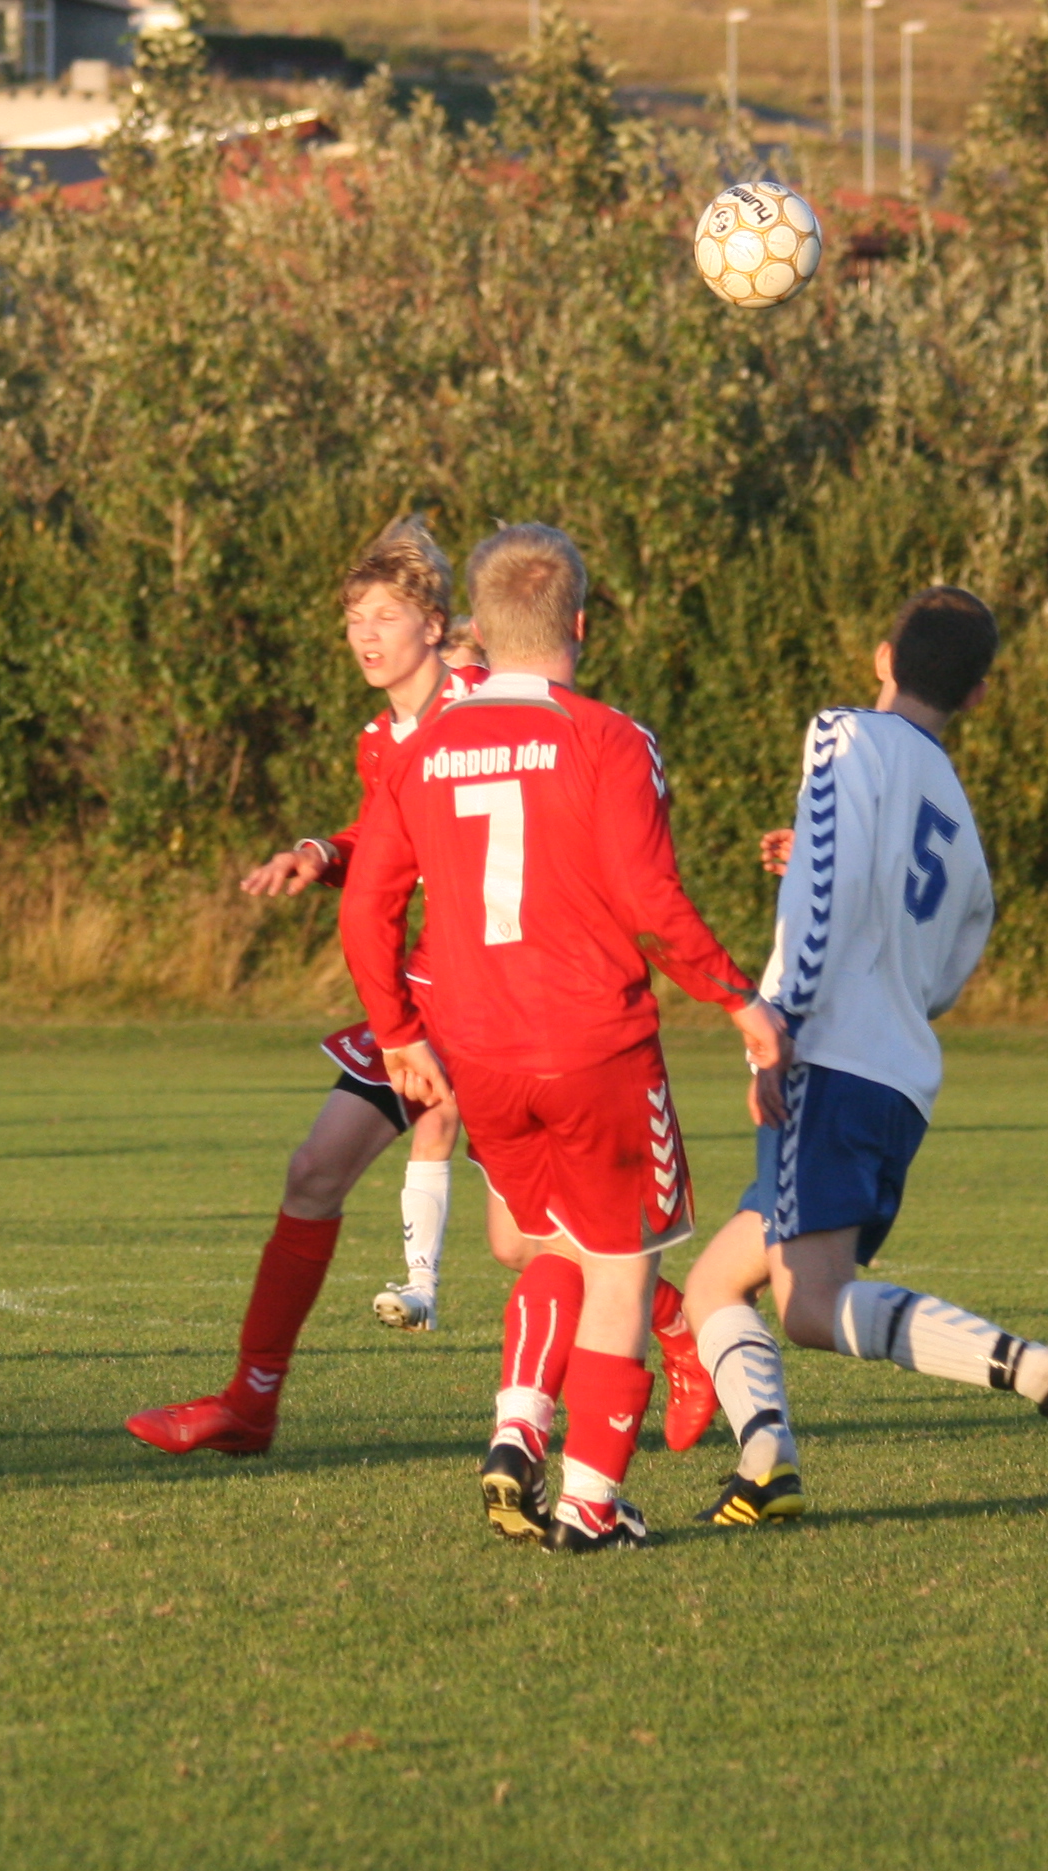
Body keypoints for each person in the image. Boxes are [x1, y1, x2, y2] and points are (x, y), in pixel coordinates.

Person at [340, 522, 763, 1553]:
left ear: (479, 629)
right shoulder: (609, 737)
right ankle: (590, 1506)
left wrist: (399, 1032)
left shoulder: (423, 748)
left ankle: (518, 1431)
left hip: (480, 1053)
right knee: (621, 1266)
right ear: (578, 624)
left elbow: (366, 909)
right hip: (593, 1044)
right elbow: (651, 901)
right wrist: (743, 1003)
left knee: (551, 1246)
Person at [676, 587, 1048, 1525]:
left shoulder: (843, 734)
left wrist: (777, 1020)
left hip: (827, 1062)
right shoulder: (959, 819)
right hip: (898, 1083)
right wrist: (817, 858)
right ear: (978, 695)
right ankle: (766, 1464)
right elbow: (940, 975)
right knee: (717, 1283)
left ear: (883, 657)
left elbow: (826, 903)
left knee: (811, 1305)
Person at [128, 517, 500, 1458]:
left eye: (386, 615)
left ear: (435, 623)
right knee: (314, 1172)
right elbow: (386, 842)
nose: (365, 635)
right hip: (425, 996)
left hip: (510, 999)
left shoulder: (491, 707)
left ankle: (679, 1333)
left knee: (535, 1229)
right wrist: (317, 854)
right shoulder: (381, 739)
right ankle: (250, 1403)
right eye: (353, 618)